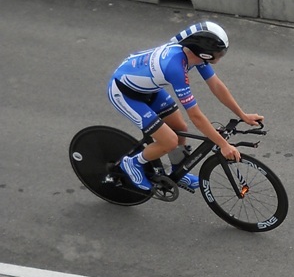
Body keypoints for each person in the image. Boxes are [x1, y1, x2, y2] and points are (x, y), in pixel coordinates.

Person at [107, 21, 263, 192]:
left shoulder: (194, 56)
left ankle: (178, 171)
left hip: (148, 89)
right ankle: (132, 163)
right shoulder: (176, 68)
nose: (221, 56)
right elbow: (195, 116)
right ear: (204, 53)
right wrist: (223, 144)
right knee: (169, 141)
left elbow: (216, 86)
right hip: (124, 94)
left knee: (180, 127)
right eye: (220, 53)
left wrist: (242, 115)